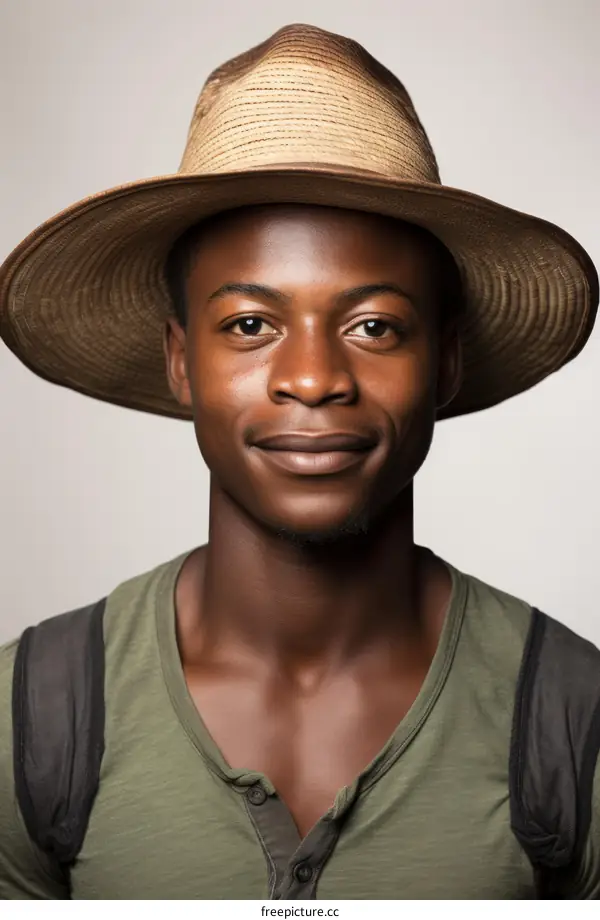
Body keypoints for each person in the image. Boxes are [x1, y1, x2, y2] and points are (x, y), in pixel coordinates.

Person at [0, 22, 598, 901]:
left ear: (446, 362)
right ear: (179, 361)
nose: (314, 379)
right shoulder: (31, 720)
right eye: (250, 325)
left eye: (374, 326)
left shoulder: (571, 718)